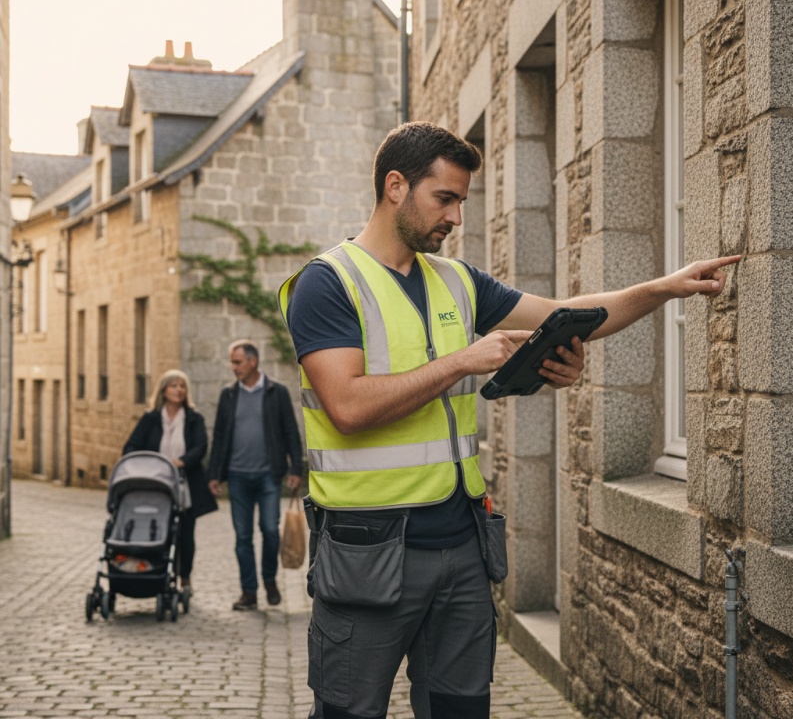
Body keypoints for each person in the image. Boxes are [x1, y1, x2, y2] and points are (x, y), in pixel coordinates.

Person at [279, 121, 741, 719]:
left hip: (461, 546)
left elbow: (563, 313)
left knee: (462, 710)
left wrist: (665, 288)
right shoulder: (327, 283)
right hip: (367, 553)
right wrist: (463, 360)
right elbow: (347, 407)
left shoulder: (456, 280)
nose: (456, 217)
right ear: (395, 186)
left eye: (461, 202)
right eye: (444, 198)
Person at [207, 340, 303, 611]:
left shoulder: (276, 392)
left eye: (237, 362)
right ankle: (249, 592)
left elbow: (291, 431)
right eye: (232, 362)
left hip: (268, 476)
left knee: (270, 531)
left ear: (253, 361)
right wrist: (214, 474)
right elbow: (220, 437)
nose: (233, 367)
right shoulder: (228, 395)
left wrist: (296, 469)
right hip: (237, 476)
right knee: (243, 537)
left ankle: (269, 580)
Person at [122, 369, 217, 596]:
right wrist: (146, 463)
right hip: (156, 484)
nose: (179, 390)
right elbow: (131, 446)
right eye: (174, 386)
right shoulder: (151, 418)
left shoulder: (194, 418)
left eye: (182, 386)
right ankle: (157, 572)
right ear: (164, 391)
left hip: (185, 485)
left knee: (186, 534)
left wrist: (181, 461)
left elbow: (200, 447)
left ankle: (185, 577)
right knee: (158, 530)